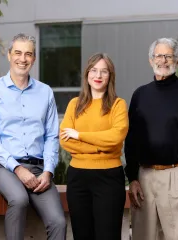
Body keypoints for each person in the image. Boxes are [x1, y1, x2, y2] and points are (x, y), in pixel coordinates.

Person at [0, 33, 66, 240]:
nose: (22, 58)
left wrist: (48, 171)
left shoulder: (45, 92)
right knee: (19, 199)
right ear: (9, 55)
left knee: (58, 222)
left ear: (34, 59)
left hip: (38, 170)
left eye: (28, 54)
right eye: (18, 53)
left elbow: (52, 136)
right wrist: (17, 169)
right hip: (2, 167)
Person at [124, 38, 178, 240]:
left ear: (177, 60)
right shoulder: (140, 95)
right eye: (158, 55)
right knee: (143, 236)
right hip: (144, 178)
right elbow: (131, 140)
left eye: (168, 56)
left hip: (177, 175)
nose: (163, 60)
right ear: (150, 60)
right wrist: (133, 178)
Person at [59, 53, 128, 240]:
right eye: (94, 70)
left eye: (104, 71)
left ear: (110, 76)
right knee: (82, 235)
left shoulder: (118, 105)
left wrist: (80, 136)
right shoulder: (75, 104)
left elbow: (115, 137)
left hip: (109, 179)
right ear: (87, 74)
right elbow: (65, 140)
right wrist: (101, 147)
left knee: (108, 235)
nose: (98, 75)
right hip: (78, 178)